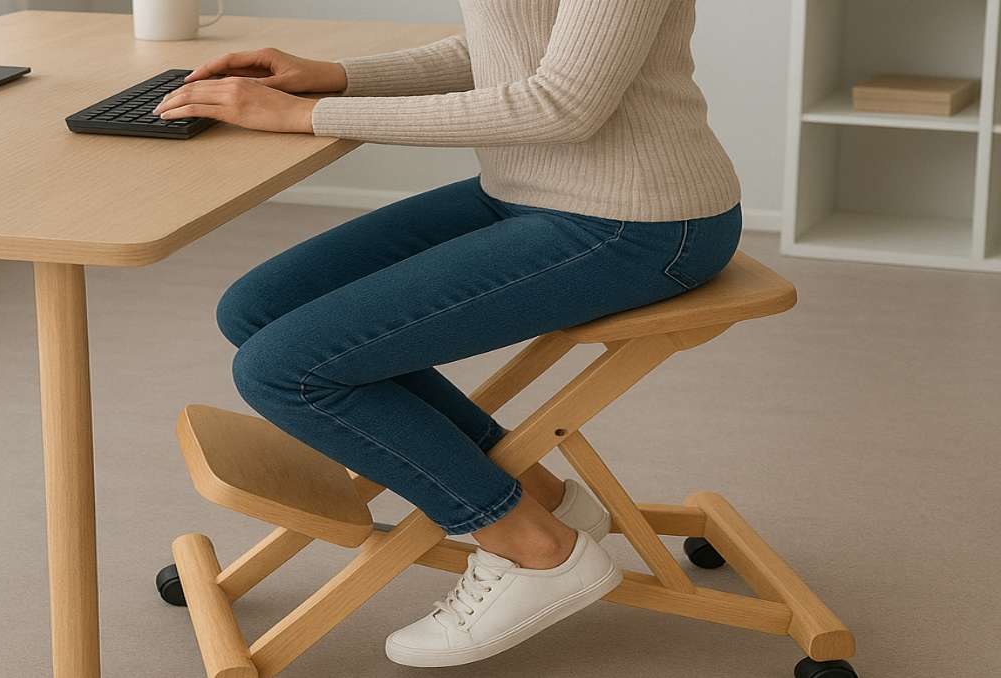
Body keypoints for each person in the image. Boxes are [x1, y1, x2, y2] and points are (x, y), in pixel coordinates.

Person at [155, 0, 742, 668]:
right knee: (258, 309)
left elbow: (564, 104)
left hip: (636, 221)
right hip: (527, 188)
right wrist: (333, 76)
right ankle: (545, 501)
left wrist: (305, 114)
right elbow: (499, 46)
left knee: (284, 369)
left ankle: (535, 549)